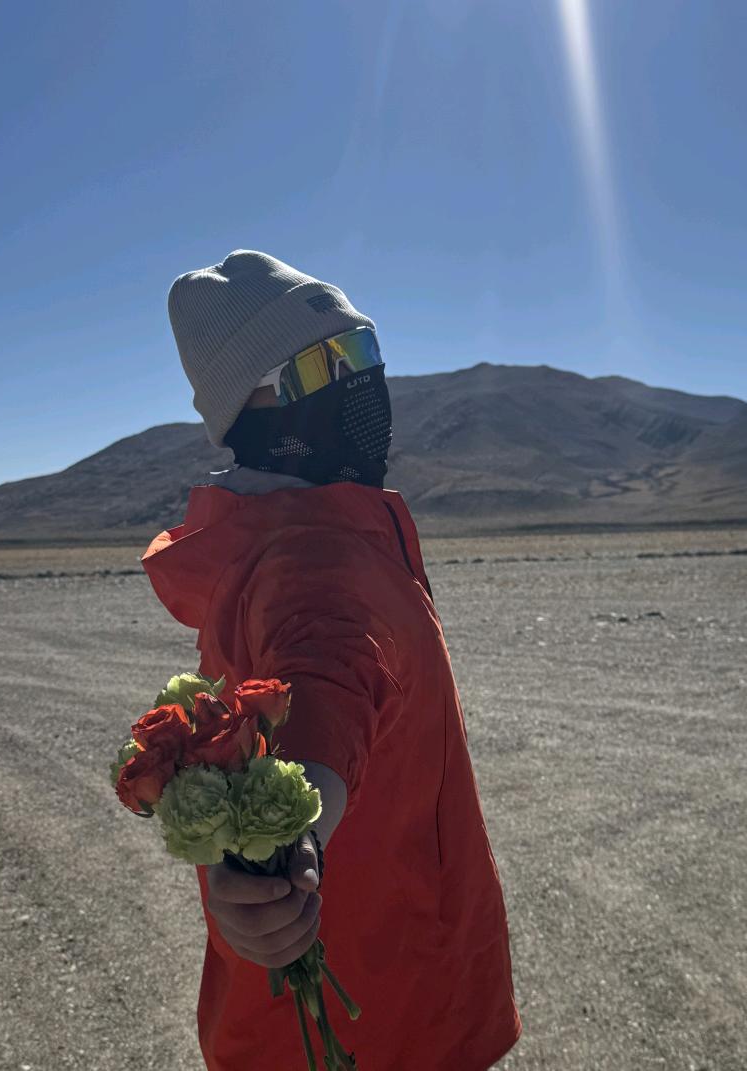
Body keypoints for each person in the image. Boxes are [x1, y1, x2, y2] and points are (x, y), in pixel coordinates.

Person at [141, 250, 521, 1070]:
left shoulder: (308, 532)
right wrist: (295, 831)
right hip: (378, 1023)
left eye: (368, 355)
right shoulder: (314, 558)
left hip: (378, 997)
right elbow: (327, 675)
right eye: (330, 363)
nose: (363, 384)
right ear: (253, 405)